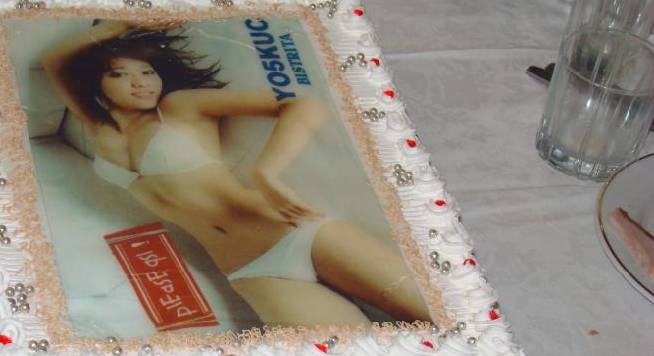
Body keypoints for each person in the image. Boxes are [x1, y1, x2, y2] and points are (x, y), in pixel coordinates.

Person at [41, 19, 430, 326]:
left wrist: (266, 173)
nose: (140, 83)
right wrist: (118, 27)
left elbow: (304, 105)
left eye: (147, 72)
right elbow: (54, 61)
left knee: (443, 319)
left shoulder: (179, 108)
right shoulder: (99, 129)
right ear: (97, 83)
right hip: (252, 271)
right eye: (120, 74)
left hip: (298, 233)